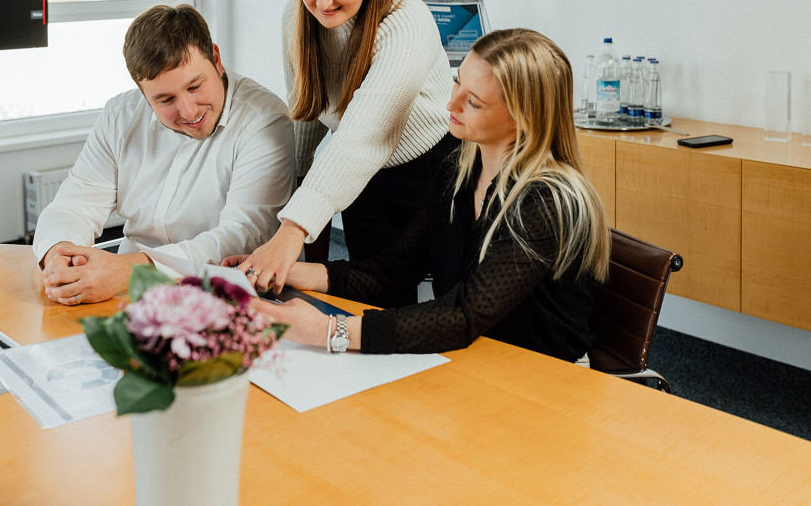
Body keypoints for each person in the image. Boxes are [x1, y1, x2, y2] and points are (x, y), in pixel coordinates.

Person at [243, 28, 611, 360]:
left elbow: (463, 314)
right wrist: (284, 271)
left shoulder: (546, 202)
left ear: (523, 118)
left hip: (543, 376)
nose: (450, 105)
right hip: (479, 356)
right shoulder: (459, 170)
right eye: (457, 83)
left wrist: (329, 330)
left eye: (474, 102)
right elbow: (393, 272)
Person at [236, 0, 458, 302]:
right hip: (364, 177)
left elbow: (364, 135)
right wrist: (298, 182)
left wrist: (292, 230)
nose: (323, 1)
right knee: (375, 298)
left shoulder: (406, 21)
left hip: (434, 168)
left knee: (447, 297)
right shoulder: (297, 16)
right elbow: (305, 108)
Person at [34, 4, 295, 305]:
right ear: (142, 93)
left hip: (217, 294)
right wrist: (59, 254)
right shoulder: (121, 115)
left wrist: (129, 271)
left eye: (195, 86)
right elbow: (74, 204)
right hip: (120, 291)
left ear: (217, 60)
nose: (188, 110)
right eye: (165, 99)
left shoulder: (264, 120)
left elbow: (241, 238)